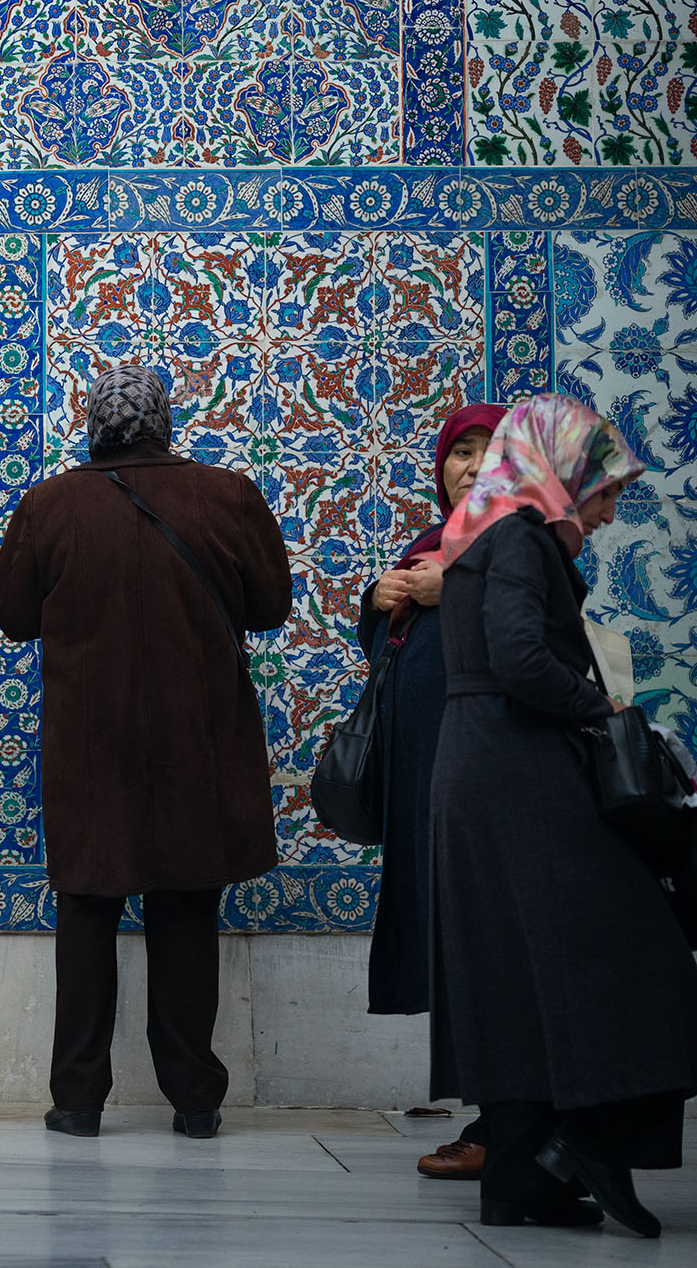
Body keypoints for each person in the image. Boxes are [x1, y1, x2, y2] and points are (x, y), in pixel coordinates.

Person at [0, 364, 291, 1139]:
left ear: (94, 423)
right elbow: (269, 606)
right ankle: (195, 1100)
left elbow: (15, 618)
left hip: (90, 752)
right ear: (166, 421)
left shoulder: (50, 503)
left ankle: (78, 1100)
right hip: (200, 742)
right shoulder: (228, 495)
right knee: (187, 909)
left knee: (86, 913)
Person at [430, 393, 697, 1236]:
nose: (610, 512)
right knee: (646, 946)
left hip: (486, 768)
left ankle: (524, 1178)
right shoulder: (519, 538)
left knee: (514, 979)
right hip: (520, 773)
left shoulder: (483, 534)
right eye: (604, 490)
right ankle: (587, 1140)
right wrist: (601, 712)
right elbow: (517, 654)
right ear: (559, 470)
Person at [357, 402, 504, 1181]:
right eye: (459, 452)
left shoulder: (519, 545)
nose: (472, 467)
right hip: (428, 783)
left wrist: (462, 590)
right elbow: (395, 650)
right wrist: (379, 603)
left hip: (485, 784)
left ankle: (500, 1122)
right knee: (448, 945)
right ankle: (487, 1115)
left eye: (489, 451)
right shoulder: (432, 545)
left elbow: (543, 634)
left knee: (481, 945)